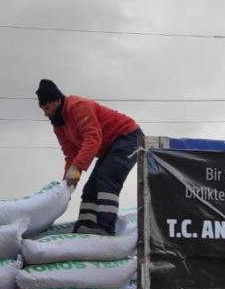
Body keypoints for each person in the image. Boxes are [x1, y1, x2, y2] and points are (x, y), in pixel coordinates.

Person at [36, 79, 144, 235]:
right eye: (43, 109)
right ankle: (85, 226)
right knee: (90, 188)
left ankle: (105, 228)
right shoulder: (59, 125)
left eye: (47, 108)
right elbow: (71, 155)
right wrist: (68, 185)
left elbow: (93, 139)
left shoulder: (78, 107)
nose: (45, 113)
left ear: (57, 101)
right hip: (110, 147)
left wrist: (76, 170)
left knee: (107, 178)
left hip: (128, 138)